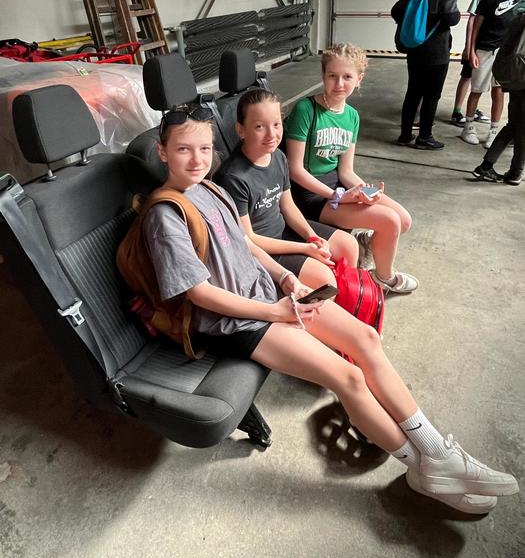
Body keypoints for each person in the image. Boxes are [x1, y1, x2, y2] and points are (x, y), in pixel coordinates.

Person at [140, 104, 518, 515]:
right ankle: (421, 468)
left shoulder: (211, 190)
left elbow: (245, 246)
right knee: (348, 377)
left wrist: (285, 278)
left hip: (270, 294)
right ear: (162, 152)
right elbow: (199, 294)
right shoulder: (166, 215)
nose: (197, 159)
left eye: (204, 148)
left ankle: (437, 454)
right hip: (238, 321)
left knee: (365, 338)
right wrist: (275, 312)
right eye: (183, 149)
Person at [284, 43, 417, 295]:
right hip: (310, 196)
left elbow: (346, 171)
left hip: (338, 188)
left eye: (347, 77)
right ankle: (383, 278)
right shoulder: (306, 110)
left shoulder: (352, 116)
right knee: (389, 221)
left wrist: (365, 191)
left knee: (403, 219)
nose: (339, 84)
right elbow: (294, 169)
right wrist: (338, 196)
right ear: (323, 75)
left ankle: (366, 243)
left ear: (359, 79)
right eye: (332, 75)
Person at [214, 88, 363, 293]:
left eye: (276, 124)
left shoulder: (278, 157)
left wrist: (312, 237)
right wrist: (305, 248)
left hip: (284, 230)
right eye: (259, 127)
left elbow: (288, 206)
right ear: (241, 130)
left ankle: (349, 300)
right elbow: (249, 238)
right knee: (324, 278)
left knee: (349, 246)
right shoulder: (232, 177)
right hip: (263, 249)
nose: (271, 134)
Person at [391, 0, 461, 150]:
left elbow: (396, 10)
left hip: (415, 49)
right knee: (431, 95)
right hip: (436, 52)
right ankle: (424, 137)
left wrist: (414, 26)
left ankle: (405, 135)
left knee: (413, 92)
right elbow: (451, 17)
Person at [461, 0, 525, 148]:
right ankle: (468, 126)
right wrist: (471, 51)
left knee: (498, 92)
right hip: (485, 50)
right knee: (477, 89)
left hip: (507, 53)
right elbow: (476, 25)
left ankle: (494, 131)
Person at [450, 0, 495, 126]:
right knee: (467, 75)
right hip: (478, 44)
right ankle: (457, 112)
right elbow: (472, 19)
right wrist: (469, 47)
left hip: (494, 47)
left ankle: (473, 110)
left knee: (486, 82)